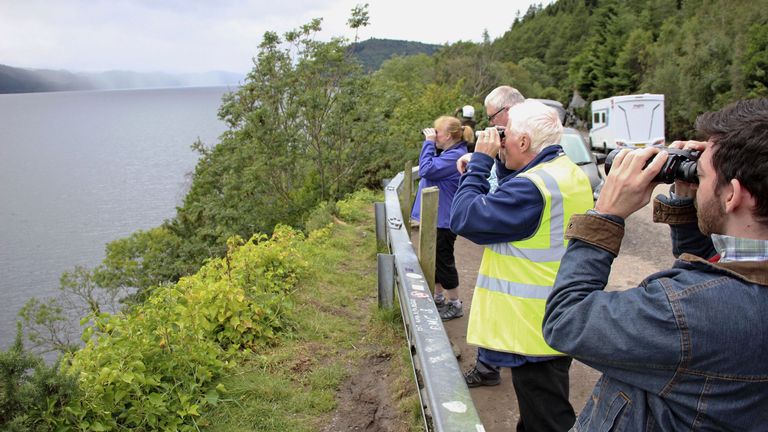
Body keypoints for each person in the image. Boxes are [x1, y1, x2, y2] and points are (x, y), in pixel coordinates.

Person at [542, 98, 768, 430]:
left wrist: (606, 214)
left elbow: (566, 320)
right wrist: (689, 194)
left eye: (702, 176)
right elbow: (715, 271)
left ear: (733, 194)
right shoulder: (736, 286)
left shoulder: (690, 311)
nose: (697, 179)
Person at [451, 99, 593, 431]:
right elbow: (520, 212)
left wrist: (479, 165)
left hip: (532, 328)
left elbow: (464, 218)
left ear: (524, 142)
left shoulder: (532, 189)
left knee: (547, 420)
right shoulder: (565, 173)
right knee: (535, 414)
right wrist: (498, 162)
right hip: (557, 314)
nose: (499, 140)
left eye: (506, 134)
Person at [411, 115, 472, 320]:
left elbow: (426, 169)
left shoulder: (454, 156)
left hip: (444, 220)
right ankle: (438, 297)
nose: (434, 135)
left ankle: (455, 303)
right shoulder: (450, 153)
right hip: (438, 217)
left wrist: (428, 144)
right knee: (434, 259)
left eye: (437, 132)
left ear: (448, 136)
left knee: (443, 261)